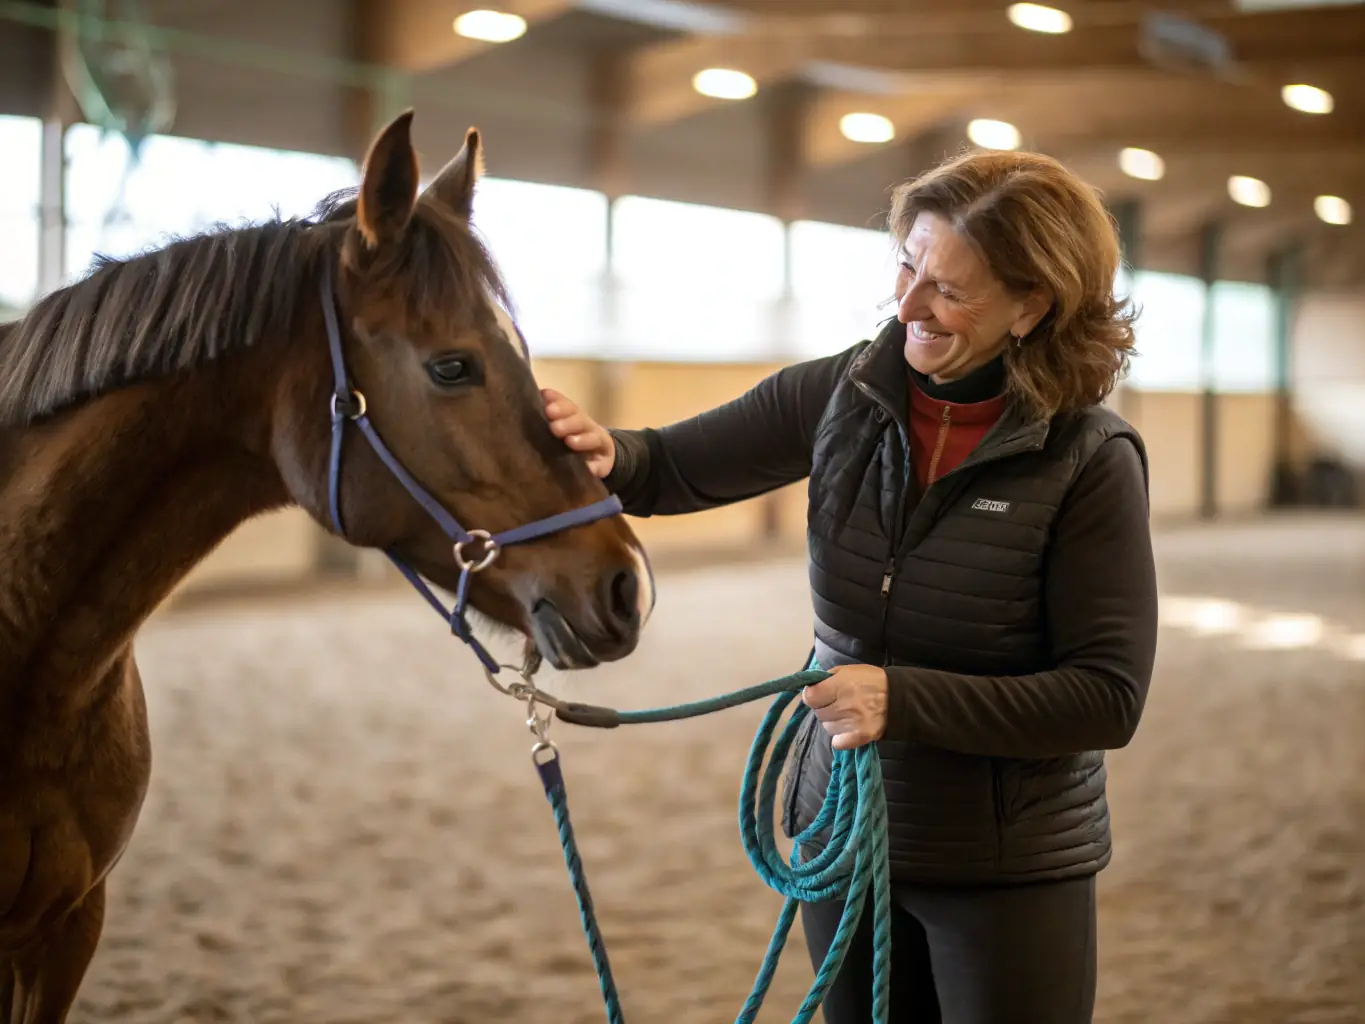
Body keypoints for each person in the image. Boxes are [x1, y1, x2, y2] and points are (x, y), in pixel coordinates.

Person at [543, 149, 1158, 1023]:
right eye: (908, 267)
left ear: (1032, 305)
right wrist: (610, 453)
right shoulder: (843, 392)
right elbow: (673, 465)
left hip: (1002, 861)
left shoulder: (1088, 460)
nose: (908, 306)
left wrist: (901, 700)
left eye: (950, 289)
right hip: (843, 832)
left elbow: (1105, 698)